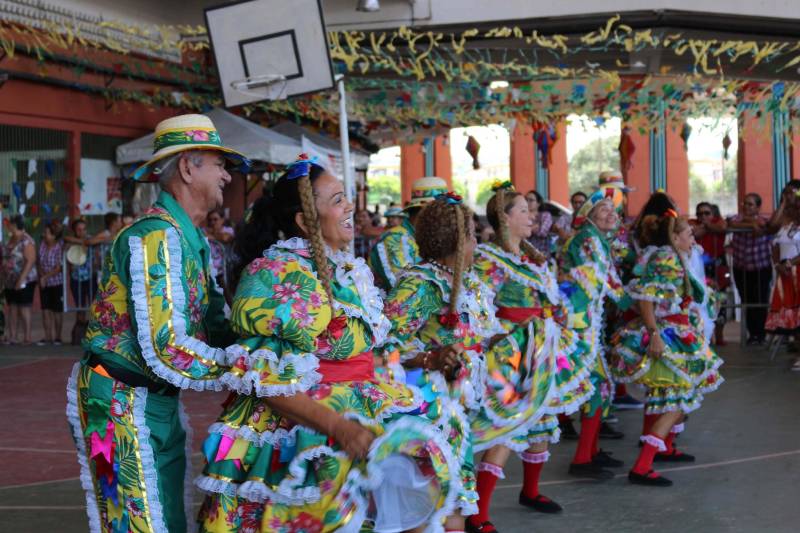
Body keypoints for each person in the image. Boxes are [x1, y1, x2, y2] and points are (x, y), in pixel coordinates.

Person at [196, 155, 458, 532]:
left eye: (345, 196)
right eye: (336, 199)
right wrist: (340, 428)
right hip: (305, 431)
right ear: (305, 221)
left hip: (360, 417)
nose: (350, 206)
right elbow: (270, 383)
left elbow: (364, 353)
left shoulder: (346, 270)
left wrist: (424, 359)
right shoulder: (279, 275)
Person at [67, 113, 247, 533]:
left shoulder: (189, 238)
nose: (226, 174)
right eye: (217, 163)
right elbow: (168, 346)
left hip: (154, 401)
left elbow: (216, 323)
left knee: (167, 516)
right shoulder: (154, 238)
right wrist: (248, 369)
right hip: (111, 405)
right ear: (188, 167)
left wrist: (268, 341)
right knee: (132, 523)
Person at [466, 182, 594, 532]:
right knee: (509, 428)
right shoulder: (490, 260)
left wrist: (555, 314)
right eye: (523, 210)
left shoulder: (529, 257)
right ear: (504, 219)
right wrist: (500, 335)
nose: (531, 216)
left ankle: (531, 490)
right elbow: (477, 306)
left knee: (540, 422)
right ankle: (478, 515)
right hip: (513, 351)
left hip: (539, 346)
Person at [381, 192, 499, 531]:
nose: (478, 243)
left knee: (455, 495)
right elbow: (384, 342)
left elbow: (483, 332)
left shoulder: (471, 281)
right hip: (429, 407)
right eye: (474, 235)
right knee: (437, 499)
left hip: (459, 406)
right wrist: (429, 358)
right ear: (457, 240)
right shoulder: (421, 283)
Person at [610, 211, 724, 486]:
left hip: (678, 332)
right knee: (678, 401)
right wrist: (654, 334)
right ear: (674, 237)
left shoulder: (674, 257)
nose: (693, 238)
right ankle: (643, 466)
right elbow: (646, 298)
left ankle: (664, 449)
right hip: (670, 335)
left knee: (672, 397)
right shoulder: (667, 258)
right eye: (688, 233)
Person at [558, 187, 626, 480]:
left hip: (589, 323)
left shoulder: (597, 239)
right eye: (604, 210)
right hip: (578, 325)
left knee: (600, 387)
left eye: (613, 209)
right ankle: (583, 458)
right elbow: (600, 280)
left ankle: (591, 451)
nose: (612, 213)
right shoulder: (588, 239)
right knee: (595, 387)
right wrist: (636, 302)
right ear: (589, 217)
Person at [369, 176, 448, 291]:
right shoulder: (394, 239)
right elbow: (404, 290)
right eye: (441, 213)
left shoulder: (426, 238)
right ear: (425, 211)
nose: (444, 219)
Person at [728, 193, 772, 345]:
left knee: (760, 300)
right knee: (746, 300)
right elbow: (731, 224)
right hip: (741, 267)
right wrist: (751, 224)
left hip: (760, 267)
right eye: (745, 203)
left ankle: (760, 334)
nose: (746, 207)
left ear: (758, 207)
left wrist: (752, 224)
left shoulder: (764, 220)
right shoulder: (735, 218)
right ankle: (752, 333)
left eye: (750, 204)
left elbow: (761, 227)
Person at [765, 188, 800, 370]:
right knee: (794, 316)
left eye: (794, 205)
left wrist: (790, 263)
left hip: (797, 272)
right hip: (786, 275)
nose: (791, 210)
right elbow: (772, 231)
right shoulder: (785, 225)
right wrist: (778, 264)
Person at [691, 201, 729, 345]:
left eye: (707, 213)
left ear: (713, 214)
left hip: (718, 265)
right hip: (699, 267)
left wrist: (706, 226)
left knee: (721, 298)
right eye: (700, 213)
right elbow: (694, 231)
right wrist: (707, 226)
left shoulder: (719, 221)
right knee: (701, 298)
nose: (703, 216)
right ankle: (705, 335)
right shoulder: (692, 222)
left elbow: (722, 228)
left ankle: (719, 336)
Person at [2, 214, 37, 345]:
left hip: (25, 279)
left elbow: (30, 260)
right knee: (12, 307)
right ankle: (12, 336)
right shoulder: (11, 238)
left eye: (9, 224)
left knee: (24, 307)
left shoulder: (26, 240)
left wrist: (21, 279)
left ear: (15, 225)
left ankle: (27, 337)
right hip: (10, 279)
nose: (7, 226)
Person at [64, 218, 95, 344]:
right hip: (76, 279)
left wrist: (84, 242)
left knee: (94, 306)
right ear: (74, 230)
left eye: (83, 229)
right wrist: (81, 242)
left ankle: (94, 334)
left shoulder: (90, 238)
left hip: (90, 278)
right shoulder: (71, 240)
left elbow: (91, 242)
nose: (81, 231)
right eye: (79, 229)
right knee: (79, 306)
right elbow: (66, 239)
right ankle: (79, 334)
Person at [37, 221, 65, 345]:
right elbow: (38, 262)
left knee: (57, 310)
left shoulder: (59, 247)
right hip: (44, 283)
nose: (44, 235)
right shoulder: (42, 245)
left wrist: (45, 277)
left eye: (47, 233)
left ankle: (58, 336)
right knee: (45, 310)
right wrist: (42, 276)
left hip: (56, 282)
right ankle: (47, 336)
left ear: (54, 235)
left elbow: (59, 267)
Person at [205, 208, 234, 289]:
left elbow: (225, 238)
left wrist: (212, 235)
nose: (212, 222)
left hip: (224, 269)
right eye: (210, 220)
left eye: (215, 219)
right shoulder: (203, 231)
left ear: (222, 220)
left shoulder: (228, 230)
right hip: (209, 268)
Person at [525, 190, 553, 255]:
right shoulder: (521, 215)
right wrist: (535, 226)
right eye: (526, 199)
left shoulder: (545, 215)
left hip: (540, 252)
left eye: (531, 200)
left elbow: (542, 232)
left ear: (538, 203)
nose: (527, 202)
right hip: (524, 250)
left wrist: (528, 228)